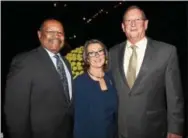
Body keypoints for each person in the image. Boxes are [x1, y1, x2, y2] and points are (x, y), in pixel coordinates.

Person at [109, 5, 184, 138]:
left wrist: (176, 129)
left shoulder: (166, 52)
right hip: (120, 129)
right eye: (128, 21)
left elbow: (175, 96)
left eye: (137, 19)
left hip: (153, 129)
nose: (132, 24)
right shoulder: (112, 53)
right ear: (122, 26)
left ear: (146, 24)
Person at [4, 19, 73, 138]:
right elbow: (15, 113)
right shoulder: (25, 62)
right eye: (51, 31)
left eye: (60, 33)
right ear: (39, 35)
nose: (56, 36)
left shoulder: (66, 62)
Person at [73, 39, 118, 138]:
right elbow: (79, 122)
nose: (97, 55)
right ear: (87, 58)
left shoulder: (111, 78)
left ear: (105, 54)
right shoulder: (79, 83)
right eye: (92, 53)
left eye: (100, 51)